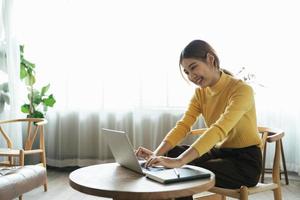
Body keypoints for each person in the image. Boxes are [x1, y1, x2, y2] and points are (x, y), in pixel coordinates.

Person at [135, 39, 262, 199]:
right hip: (220, 153)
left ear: (210, 59)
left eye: (193, 67)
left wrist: (179, 161)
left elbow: (219, 129)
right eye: (186, 72)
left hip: (245, 162)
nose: (191, 76)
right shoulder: (200, 94)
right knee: (172, 153)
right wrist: (155, 154)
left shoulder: (242, 90)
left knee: (184, 167)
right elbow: (183, 126)